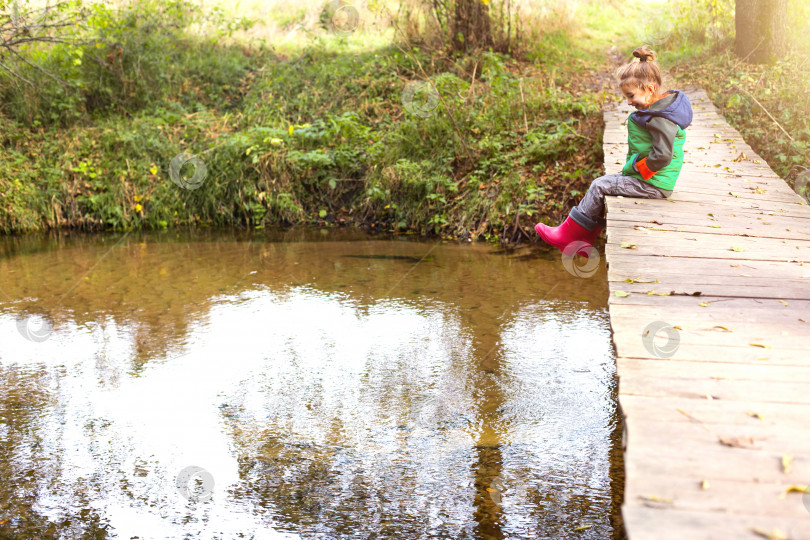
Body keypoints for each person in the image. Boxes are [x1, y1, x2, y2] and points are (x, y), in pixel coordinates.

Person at [535, 46, 693, 258]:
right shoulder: (658, 111)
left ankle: (569, 237)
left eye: (631, 96)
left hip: (654, 184)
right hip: (655, 181)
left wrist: (641, 168)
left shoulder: (660, 118)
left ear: (648, 89)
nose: (628, 102)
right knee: (608, 182)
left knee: (599, 185)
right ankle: (583, 241)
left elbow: (663, 155)